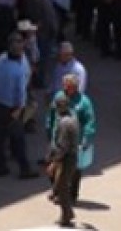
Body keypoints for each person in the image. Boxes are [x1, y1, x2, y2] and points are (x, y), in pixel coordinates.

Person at [0, 33, 39, 179]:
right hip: (12, 108)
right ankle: (24, 168)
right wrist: (19, 108)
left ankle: (1, 166)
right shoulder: (19, 71)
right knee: (18, 138)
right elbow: (21, 92)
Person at [46, 74, 95, 205]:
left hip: (73, 143)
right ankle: (56, 190)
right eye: (65, 86)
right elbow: (51, 114)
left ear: (76, 87)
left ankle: (72, 195)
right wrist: (48, 129)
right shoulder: (59, 96)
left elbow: (89, 122)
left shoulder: (84, 102)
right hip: (57, 139)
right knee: (52, 168)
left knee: (73, 172)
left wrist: (85, 139)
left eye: (69, 87)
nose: (66, 89)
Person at [46, 94, 79, 228]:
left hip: (66, 159)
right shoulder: (72, 118)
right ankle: (67, 213)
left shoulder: (65, 123)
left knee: (62, 187)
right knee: (61, 186)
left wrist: (54, 162)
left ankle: (67, 215)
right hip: (68, 157)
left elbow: (63, 146)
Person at [24, 0, 59, 89]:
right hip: (44, 31)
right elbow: (50, 17)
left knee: (34, 56)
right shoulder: (45, 0)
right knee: (43, 57)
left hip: (33, 29)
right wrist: (54, 30)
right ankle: (40, 80)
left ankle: (33, 79)